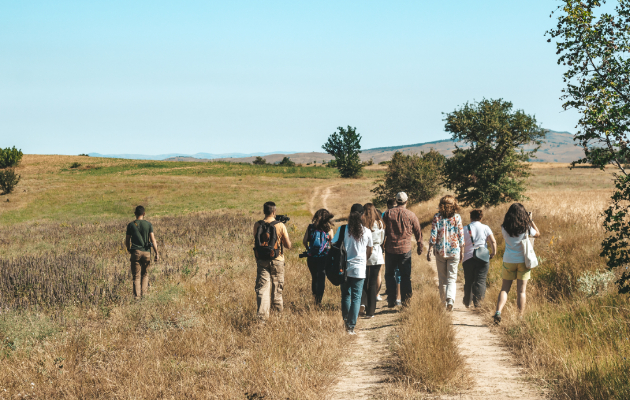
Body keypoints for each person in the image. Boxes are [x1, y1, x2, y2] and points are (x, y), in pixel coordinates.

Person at [493, 203, 540, 324]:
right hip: (523, 261)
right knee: (521, 291)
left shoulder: (504, 227)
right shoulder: (525, 227)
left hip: (509, 260)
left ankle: (498, 311)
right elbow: (538, 234)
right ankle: (520, 317)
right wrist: (530, 220)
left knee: (504, 289)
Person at [332, 204, 373, 334]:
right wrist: (364, 259)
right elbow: (370, 249)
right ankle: (351, 327)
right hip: (359, 268)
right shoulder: (366, 231)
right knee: (356, 298)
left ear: (350, 214)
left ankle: (346, 321)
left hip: (344, 268)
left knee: (345, 296)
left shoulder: (343, 229)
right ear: (362, 215)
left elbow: (333, 244)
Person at [382, 192, 423, 307]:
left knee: (389, 275)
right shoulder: (411, 215)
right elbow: (418, 231)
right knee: (406, 276)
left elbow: (382, 232)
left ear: (396, 200)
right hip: (405, 250)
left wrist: (381, 245)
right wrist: (420, 246)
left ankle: (391, 299)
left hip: (390, 249)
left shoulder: (387, 214)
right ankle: (406, 302)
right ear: (406, 201)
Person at [253, 201, 292, 320]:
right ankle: (278, 316)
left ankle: (262, 318)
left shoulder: (257, 225)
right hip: (277, 260)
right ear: (274, 211)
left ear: (264, 211)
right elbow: (288, 245)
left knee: (262, 289)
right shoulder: (280, 225)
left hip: (262, 260)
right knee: (277, 289)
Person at [427, 195, 465, 311]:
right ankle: (450, 300)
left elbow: (433, 235)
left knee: (442, 279)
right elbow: (461, 236)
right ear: (454, 205)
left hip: (440, 251)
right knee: (452, 278)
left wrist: (429, 249)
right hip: (454, 251)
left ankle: (443, 302)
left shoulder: (437, 217)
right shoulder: (457, 217)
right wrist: (462, 251)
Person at [462, 209, 497, 308]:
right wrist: (493, 253)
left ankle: (467, 301)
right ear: (481, 217)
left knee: (468, 280)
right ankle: (479, 303)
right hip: (482, 257)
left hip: (468, 257)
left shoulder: (465, 228)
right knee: (480, 281)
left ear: (470, 217)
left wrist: (461, 255)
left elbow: (461, 244)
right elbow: (493, 241)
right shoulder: (486, 228)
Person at [125, 205, 159, 298]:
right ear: (144, 214)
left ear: (135, 214)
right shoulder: (148, 225)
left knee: (136, 276)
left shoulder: (131, 225)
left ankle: (137, 297)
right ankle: (144, 296)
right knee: (145, 274)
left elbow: (127, 240)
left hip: (135, 252)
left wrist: (129, 249)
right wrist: (157, 253)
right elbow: (153, 240)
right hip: (147, 252)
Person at [302, 209, 335, 305]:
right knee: (321, 278)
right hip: (324, 257)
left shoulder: (310, 228)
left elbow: (304, 241)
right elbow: (332, 243)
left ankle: (314, 295)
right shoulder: (329, 230)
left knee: (314, 277)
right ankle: (318, 301)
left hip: (312, 257)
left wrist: (309, 249)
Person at [360, 203, 385, 318]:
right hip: (377, 253)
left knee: (364, 281)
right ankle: (371, 311)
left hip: (365, 253)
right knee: (373, 282)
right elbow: (382, 239)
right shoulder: (380, 223)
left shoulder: (364, 224)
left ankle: (362, 304)